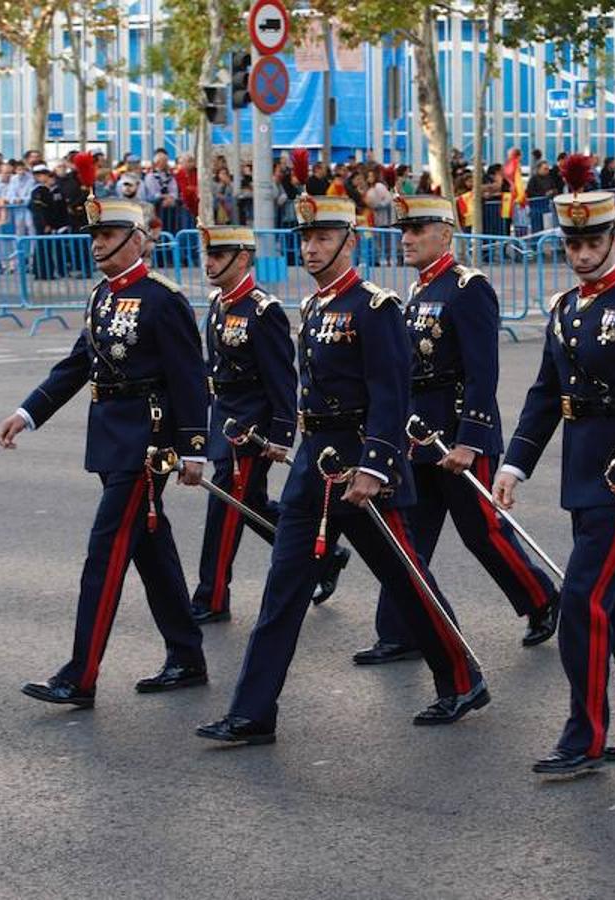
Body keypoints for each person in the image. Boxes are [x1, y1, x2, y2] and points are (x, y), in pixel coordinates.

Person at [195, 194, 490, 746]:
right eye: (305, 239)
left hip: (362, 469)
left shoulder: (373, 307)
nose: (311, 248)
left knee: (408, 580)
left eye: (324, 239)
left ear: (349, 243)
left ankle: (462, 676)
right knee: (282, 590)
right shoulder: (313, 307)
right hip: (315, 470)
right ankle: (252, 711)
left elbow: (390, 392)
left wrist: (376, 466)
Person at [493, 155, 615, 779]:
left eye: (591, 241)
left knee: (581, 603)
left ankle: (586, 734)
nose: (580, 253)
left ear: (614, 240)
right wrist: (515, 465)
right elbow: (547, 396)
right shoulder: (565, 309)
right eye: (572, 242)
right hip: (583, 479)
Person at [0, 198, 210, 708]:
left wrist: (194, 448)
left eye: (109, 233)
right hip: (111, 439)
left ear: (137, 239)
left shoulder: (164, 299)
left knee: (105, 553)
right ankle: (187, 655)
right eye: (94, 234)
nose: (97, 243)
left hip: (147, 445)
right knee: (150, 551)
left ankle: (80, 675)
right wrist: (27, 413)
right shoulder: (101, 296)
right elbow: (77, 366)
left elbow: (189, 378)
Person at [350, 194, 561, 667]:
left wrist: (470, 438)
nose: (405, 239)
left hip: (458, 433)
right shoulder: (418, 292)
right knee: (407, 538)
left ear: (444, 234)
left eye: (417, 231)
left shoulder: (467, 288)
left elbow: (481, 372)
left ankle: (541, 598)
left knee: (482, 532)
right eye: (403, 231)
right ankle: (402, 630)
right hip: (418, 435)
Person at [188, 226, 351, 624]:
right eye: (207, 254)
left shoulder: (263, 311)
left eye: (217, 255)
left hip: (249, 428)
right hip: (223, 419)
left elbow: (282, 378)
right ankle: (326, 555)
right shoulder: (220, 304)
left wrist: (279, 434)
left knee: (225, 506)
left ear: (241, 259)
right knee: (249, 505)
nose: (208, 262)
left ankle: (211, 596)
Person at [28, 163, 69, 279]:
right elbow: (38, 210)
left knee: (50, 248)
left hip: (52, 224)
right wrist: (45, 224)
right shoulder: (38, 191)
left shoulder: (52, 191)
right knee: (42, 248)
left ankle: (50, 271)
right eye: (41, 175)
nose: (45, 177)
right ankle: (42, 273)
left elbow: (57, 209)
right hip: (43, 225)